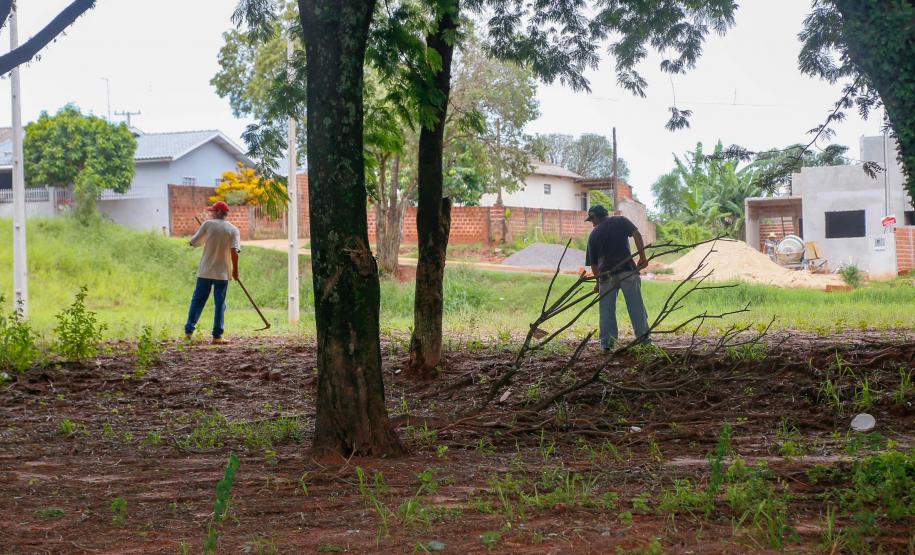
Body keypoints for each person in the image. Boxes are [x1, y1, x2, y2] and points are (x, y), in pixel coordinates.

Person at [584, 205, 650, 349]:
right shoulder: (621, 220)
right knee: (636, 306)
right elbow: (637, 235)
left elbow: (594, 265)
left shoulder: (594, 235)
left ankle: (606, 343)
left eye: (592, 220)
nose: (592, 223)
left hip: (606, 276)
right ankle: (644, 340)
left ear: (595, 216)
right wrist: (642, 257)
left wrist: (598, 283)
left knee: (606, 310)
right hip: (627, 270)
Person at [184, 201, 240, 344]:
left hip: (205, 272)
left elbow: (194, 243)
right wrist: (235, 271)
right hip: (222, 274)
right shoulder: (233, 230)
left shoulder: (208, 225)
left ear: (218, 213)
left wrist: (193, 240)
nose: (211, 213)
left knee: (197, 302)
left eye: (213, 211)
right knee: (220, 304)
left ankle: (188, 333)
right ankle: (217, 337)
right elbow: (234, 252)